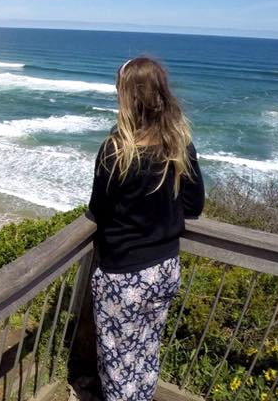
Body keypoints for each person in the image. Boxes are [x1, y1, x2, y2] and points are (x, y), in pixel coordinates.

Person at [87, 56, 205, 401]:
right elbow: (194, 206)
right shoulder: (179, 144)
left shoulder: (116, 151)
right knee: (146, 350)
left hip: (123, 276)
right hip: (165, 269)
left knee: (117, 360)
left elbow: (98, 210)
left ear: (127, 96)